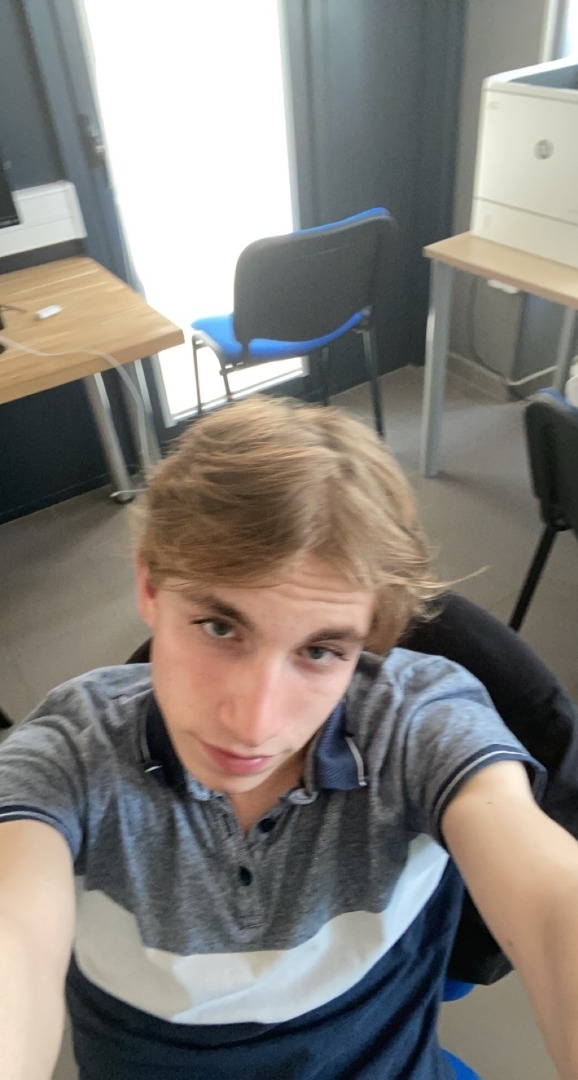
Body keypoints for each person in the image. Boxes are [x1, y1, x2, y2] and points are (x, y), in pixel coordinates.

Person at [0, 395, 577, 1080]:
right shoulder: (69, 754)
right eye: (220, 627)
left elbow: (551, 898)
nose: (255, 723)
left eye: (321, 651)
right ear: (150, 586)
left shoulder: (418, 724)